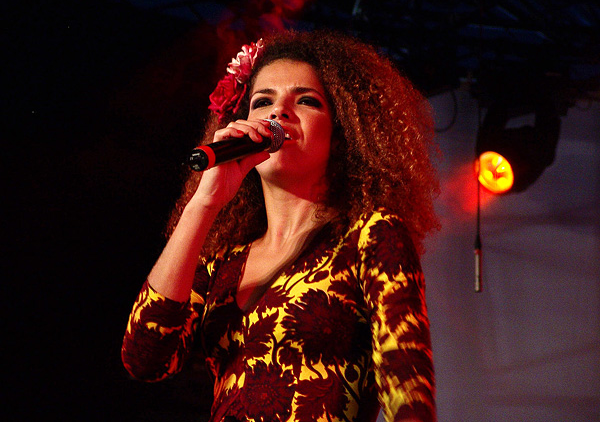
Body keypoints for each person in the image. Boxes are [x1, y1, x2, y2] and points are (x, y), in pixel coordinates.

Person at [122, 29, 439, 422]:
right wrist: (204, 204)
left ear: (341, 135)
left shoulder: (371, 234)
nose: (278, 113)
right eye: (263, 101)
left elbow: (407, 387)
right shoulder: (224, 261)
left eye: (306, 100)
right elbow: (146, 359)